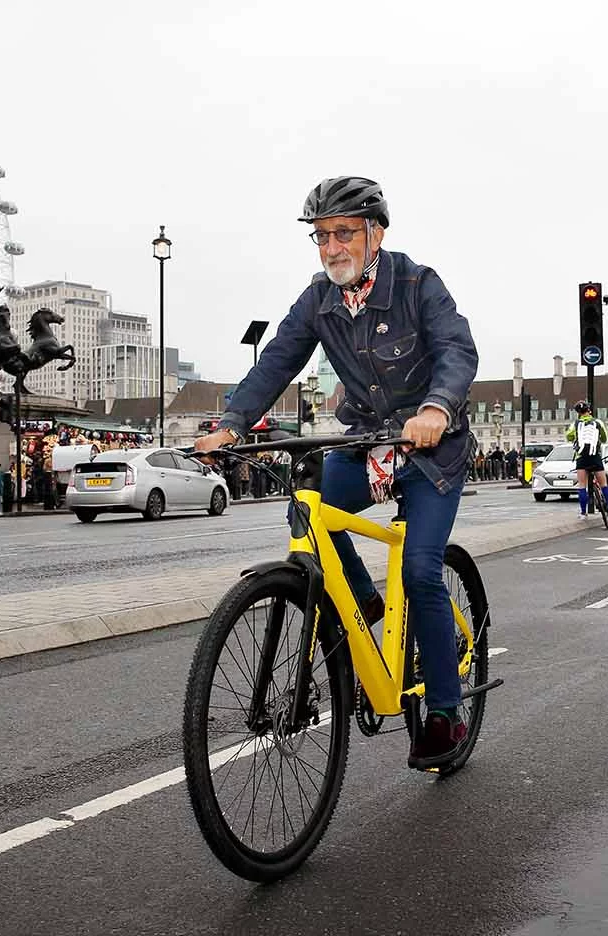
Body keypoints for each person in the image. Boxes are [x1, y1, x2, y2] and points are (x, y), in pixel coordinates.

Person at [194, 176, 477, 768]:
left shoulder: (419, 285)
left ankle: (447, 713)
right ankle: (367, 601)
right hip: (369, 444)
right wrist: (233, 423)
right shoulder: (318, 299)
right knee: (311, 507)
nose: (331, 249)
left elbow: (456, 351)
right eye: (321, 237)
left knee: (423, 570)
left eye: (344, 233)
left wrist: (435, 408)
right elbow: (277, 360)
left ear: (376, 232)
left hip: (429, 449)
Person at [565, 401, 608, 522]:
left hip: (582, 458)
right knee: (604, 485)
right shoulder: (598, 422)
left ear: (578, 413)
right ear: (589, 410)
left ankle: (583, 513)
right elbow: (605, 438)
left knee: (582, 486)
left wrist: (575, 437)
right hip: (595, 456)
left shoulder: (575, 424)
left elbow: (568, 436)